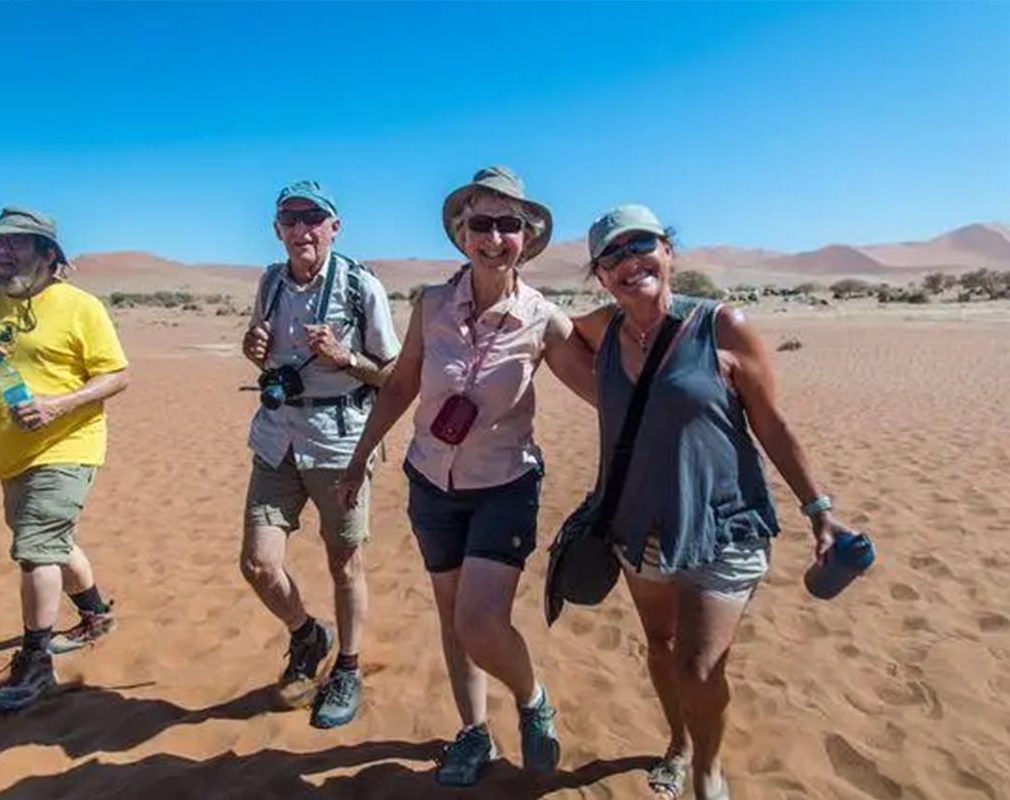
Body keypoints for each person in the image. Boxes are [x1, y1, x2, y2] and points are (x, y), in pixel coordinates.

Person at [571, 204, 857, 800]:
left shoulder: (721, 326)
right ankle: (678, 740)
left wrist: (819, 511)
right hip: (638, 524)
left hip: (722, 524)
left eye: (641, 245)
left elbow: (772, 425)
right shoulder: (601, 334)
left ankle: (708, 766)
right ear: (599, 275)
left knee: (699, 667)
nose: (630, 262)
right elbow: (552, 324)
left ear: (668, 250)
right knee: (660, 645)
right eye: (612, 256)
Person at [337, 166, 595, 786]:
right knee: (455, 622)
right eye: (482, 222)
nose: (495, 236)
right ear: (461, 232)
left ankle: (533, 701)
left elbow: (604, 393)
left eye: (511, 224)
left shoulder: (543, 319)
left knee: (481, 621)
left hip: (504, 486)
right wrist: (358, 457)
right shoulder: (430, 305)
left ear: (526, 238)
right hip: (431, 482)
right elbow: (400, 384)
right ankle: (473, 734)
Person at [0, 207, 130, 713]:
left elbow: (116, 375)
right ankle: (95, 615)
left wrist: (56, 405)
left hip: (68, 443)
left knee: (35, 547)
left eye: (17, 243)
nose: (3, 253)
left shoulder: (80, 307)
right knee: (50, 540)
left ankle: (36, 662)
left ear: (48, 254)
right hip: (7, 448)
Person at [239, 180, 400, 730]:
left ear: (335, 227)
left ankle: (347, 668)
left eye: (314, 218)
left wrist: (344, 355)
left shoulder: (361, 287)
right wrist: (252, 348)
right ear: (278, 228)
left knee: (343, 562)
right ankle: (308, 634)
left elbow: (395, 376)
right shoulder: (270, 282)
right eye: (291, 218)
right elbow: (264, 359)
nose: (302, 228)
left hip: (339, 443)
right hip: (277, 439)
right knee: (258, 563)